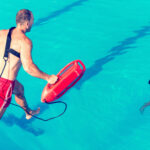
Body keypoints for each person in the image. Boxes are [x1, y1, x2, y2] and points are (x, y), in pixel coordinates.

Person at [0, 9, 58, 119]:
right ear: (27, 23)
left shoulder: (1, 33)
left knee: (19, 90)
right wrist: (48, 77)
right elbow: (29, 68)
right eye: (32, 20)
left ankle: (28, 112)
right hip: (4, 85)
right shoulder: (25, 41)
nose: (33, 23)